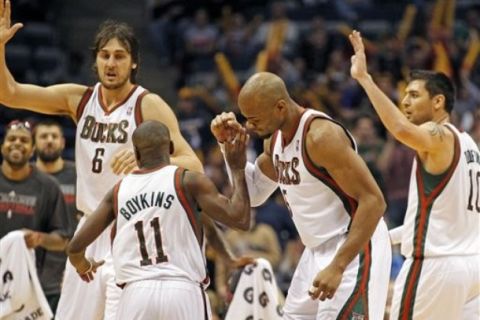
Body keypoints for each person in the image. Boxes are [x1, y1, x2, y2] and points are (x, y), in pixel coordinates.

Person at [0, 4, 238, 319]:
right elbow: (10, 94)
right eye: (105, 55)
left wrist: (151, 159)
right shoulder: (79, 98)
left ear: (134, 62)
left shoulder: (147, 103)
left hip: (128, 230)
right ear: (96, 60)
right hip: (87, 228)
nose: (111, 63)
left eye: (120, 56)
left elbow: (191, 163)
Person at [211, 71, 391, 319]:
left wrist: (338, 265)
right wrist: (229, 152)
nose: (249, 127)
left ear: (280, 107)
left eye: (255, 119)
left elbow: (374, 201)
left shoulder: (320, 137)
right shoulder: (273, 142)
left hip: (354, 247)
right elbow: (253, 195)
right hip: (315, 250)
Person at [349, 30, 480, 319]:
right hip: (472, 270)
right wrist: (385, 236)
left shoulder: (439, 135)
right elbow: (442, 221)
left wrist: (364, 79)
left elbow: (400, 130)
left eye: (413, 95)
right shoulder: (470, 145)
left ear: (438, 102)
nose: (404, 102)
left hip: (436, 268)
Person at [67, 120, 250, 320]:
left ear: (136, 154)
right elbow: (239, 218)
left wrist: (84, 266)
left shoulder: (119, 191)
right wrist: (238, 169)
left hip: (135, 295)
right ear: (171, 148)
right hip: (182, 292)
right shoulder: (188, 181)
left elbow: (75, 248)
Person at [0, 120, 70, 301]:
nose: (17, 143)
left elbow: (62, 239)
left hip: (28, 283)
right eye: (12, 139)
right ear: (2, 147)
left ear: (32, 150)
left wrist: (38, 238)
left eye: (24, 140)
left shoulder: (48, 186)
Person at [33, 119, 78, 314]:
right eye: (43, 136)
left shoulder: (79, 174)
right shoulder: (25, 177)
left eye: (54, 136)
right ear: (34, 143)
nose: (49, 141)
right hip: (33, 272)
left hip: (72, 271)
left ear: (63, 142)